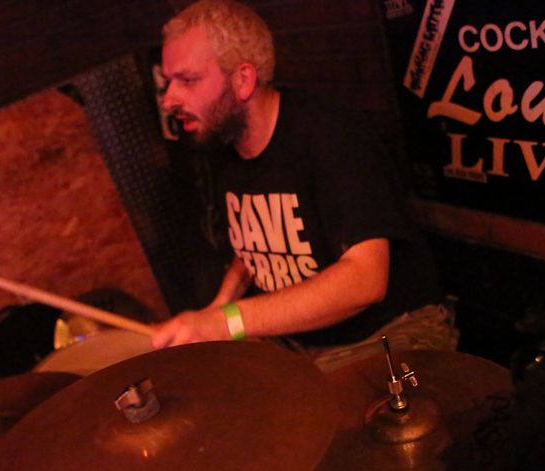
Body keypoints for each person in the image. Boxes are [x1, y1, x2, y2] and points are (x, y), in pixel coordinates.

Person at [150, 0, 457, 371]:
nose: (169, 100)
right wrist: (217, 308)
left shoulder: (332, 135)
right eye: (169, 82)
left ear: (243, 80)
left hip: (384, 334)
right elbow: (254, 248)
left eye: (187, 80)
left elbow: (366, 280)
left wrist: (228, 321)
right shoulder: (225, 146)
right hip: (297, 341)